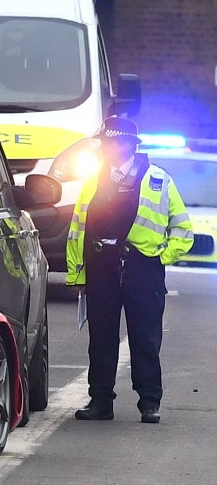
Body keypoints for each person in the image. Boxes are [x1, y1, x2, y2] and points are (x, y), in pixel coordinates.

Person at [66, 116, 193, 424]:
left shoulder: (158, 180)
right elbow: (78, 229)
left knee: (145, 339)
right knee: (101, 338)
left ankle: (150, 402)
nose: (105, 149)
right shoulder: (93, 181)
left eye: (110, 143)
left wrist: (161, 257)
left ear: (126, 145)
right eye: (104, 143)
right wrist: (76, 274)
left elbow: (183, 228)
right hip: (102, 266)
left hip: (142, 268)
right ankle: (100, 401)